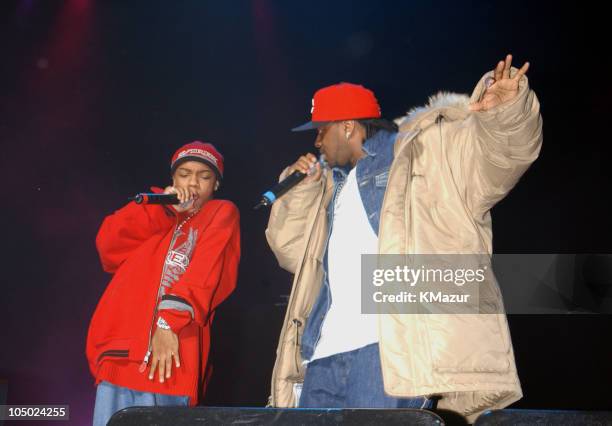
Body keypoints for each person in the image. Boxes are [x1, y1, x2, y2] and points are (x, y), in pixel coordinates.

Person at [265, 55, 542, 423]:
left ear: (348, 127)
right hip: (323, 350)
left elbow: (501, 158)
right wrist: (301, 193)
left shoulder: (423, 152)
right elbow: (290, 252)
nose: (316, 141)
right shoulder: (330, 188)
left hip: (387, 346)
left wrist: (505, 113)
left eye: (321, 130)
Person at [86, 141, 241, 426]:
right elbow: (107, 247)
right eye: (184, 174)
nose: (193, 182)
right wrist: (166, 210)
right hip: (120, 356)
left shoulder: (220, 213)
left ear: (216, 184)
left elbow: (204, 276)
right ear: (173, 179)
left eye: (204, 176)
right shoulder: (155, 209)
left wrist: (168, 321)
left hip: (172, 358)